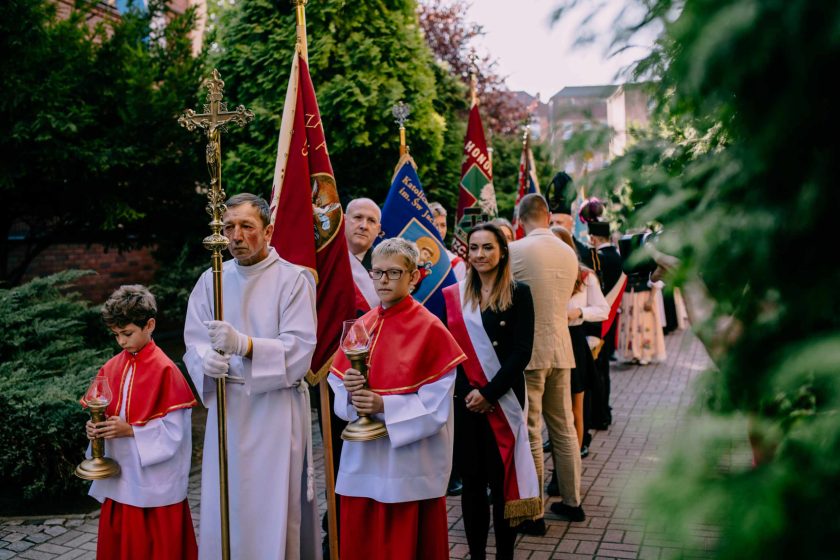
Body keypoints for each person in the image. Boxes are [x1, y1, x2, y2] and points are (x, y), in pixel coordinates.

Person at [183, 193, 320, 560]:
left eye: (247, 226)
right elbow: (194, 340)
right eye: (229, 227)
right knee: (225, 500)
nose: (236, 236)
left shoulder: (293, 280)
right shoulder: (211, 279)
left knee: (270, 505)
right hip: (228, 408)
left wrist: (244, 344)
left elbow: (300, 347)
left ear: (268, 230)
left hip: (273, 410)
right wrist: (205, 361)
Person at [328, 238, 466, 560]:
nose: (383, 281)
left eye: (393, 272)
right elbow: (338, 386)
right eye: (377, 273)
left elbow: (436, 405)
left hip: (407, 462)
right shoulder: (362, 326)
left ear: (414, 277)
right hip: (363, 460)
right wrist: (349, 389)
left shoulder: (431, 329)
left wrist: (383, 406)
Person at [443, 223, 541, 560]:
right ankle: (477, 555)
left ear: (502, 251)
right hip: (467, 403)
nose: (480, 254)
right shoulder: (456, 296)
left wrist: (489, 392)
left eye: (487, 247)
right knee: (471, 485)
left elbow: (521, 352)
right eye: (474, 248)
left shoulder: (519, 293)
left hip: (504, 400)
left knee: (502, 487)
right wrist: (472, 393)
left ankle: (504, 556)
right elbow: (451, 351)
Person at [86, 285, 198, 560]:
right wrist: (94, 430)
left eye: (127, 334)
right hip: (122, 474)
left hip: (153, 485)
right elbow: (100, 409)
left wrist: (131, 430)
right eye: (116, 335)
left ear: (149, 325)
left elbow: (175, 433)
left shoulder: (166, 370)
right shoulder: (111, 367)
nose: (121, 342)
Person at [510, 193, 584, 531]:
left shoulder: (515, 251)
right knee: (564, 427)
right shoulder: (568, 252)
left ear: (519, 216)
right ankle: (572, 501)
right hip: (561, 346)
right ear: (548, 215)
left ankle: (535, 512)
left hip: (530, 352)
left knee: (531, 429)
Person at [551, 226, 609, 457]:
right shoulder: (539, 274)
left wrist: (580, 312)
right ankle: (558, 451)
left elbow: (602, 309)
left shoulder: (585, 276)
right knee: (553, 408)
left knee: (575, 404)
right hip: (547, 339)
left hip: (573, 339)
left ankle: (572, 458)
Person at [580, 209, 626, 430]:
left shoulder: (599, 259)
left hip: (597, 322)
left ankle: (597, 415)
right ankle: (603, 413)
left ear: (594, 238)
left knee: (596, 371)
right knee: (603, 369)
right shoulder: (617, 256)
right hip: (610, 318)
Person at [617, 231, 667, 364]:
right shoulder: (626, 258)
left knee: (644, 324)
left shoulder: (649, 258)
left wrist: (651, 299)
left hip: (643, 294)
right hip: (629, 294)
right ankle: (632, 353)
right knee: (630, 324)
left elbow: (656, 281)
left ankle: (646, 353)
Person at [345, 198, 381, 313]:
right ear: (344, 220)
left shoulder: (386, 268)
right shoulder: (324, 259)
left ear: (378, 229)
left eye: (371, 220)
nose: (364, 226)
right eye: (358, 217)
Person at [429, 201, 467, 281]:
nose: (439, 230)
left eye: (443, 225)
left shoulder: (456, 263)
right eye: (434, 225)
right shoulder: (412, 257)